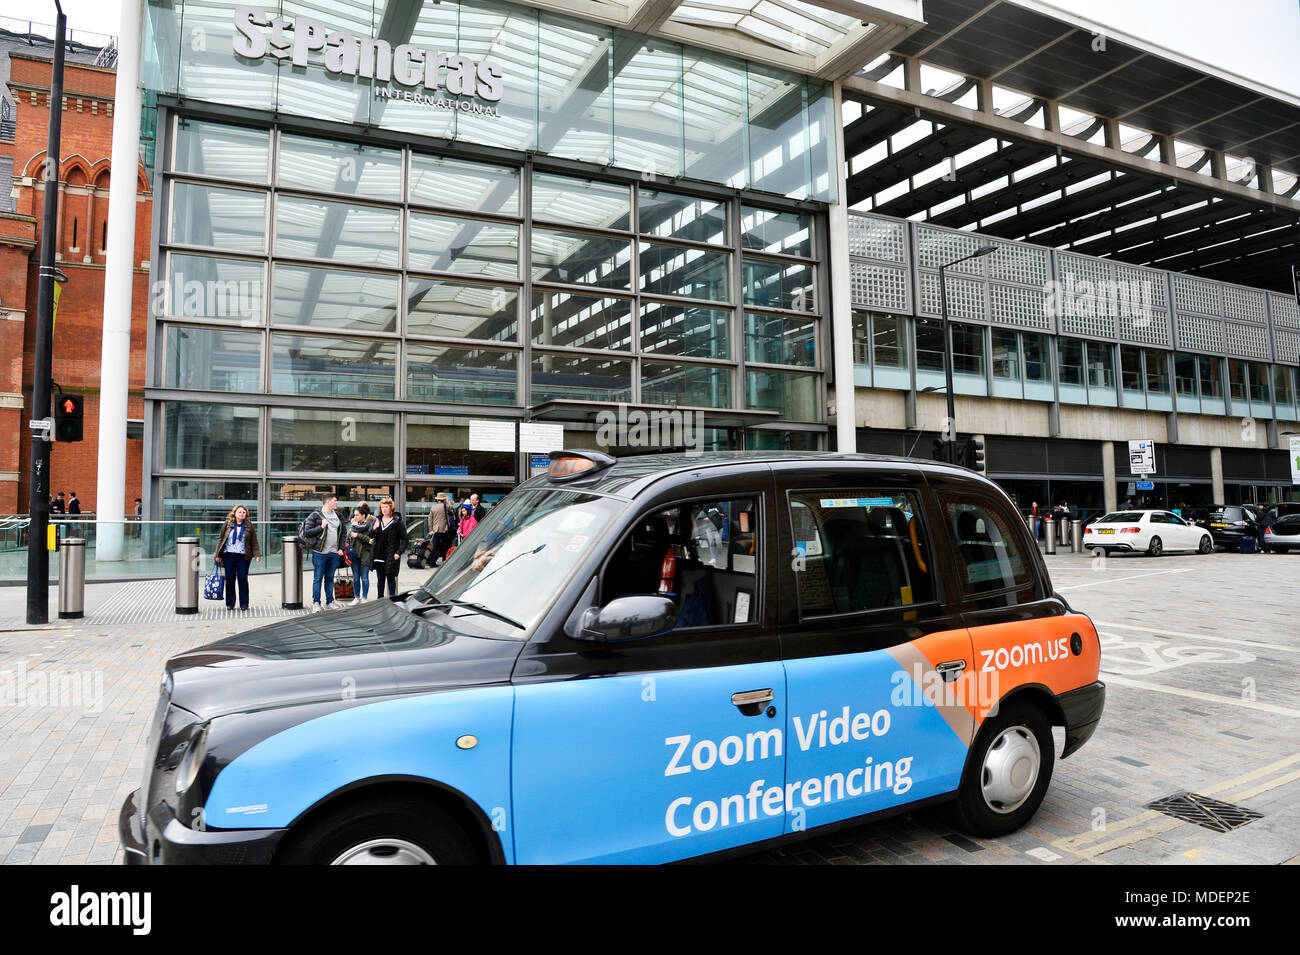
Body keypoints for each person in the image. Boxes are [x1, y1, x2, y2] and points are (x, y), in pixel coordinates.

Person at [300, 494, 346, 612]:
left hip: (334, 553)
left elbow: (343, 534)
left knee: (330, 578)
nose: (337, 503)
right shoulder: (315, 515)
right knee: (318, 578)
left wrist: (340, 548)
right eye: (335, 501)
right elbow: (307, 532)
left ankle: (330, 601)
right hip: (320, 553)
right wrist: (321, 526)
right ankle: (316, 603)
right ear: (328, 502)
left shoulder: (339, 517)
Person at [215, 504, 260, 610]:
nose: (242, 514)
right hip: (228, 556)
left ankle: (244, 604)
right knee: (230, 579)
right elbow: (221, 539)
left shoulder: (249, 525)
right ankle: (230, 603)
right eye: (240, 512)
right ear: (234, 513)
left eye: (244, 512)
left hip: (243, 557)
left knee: (243, 579)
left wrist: (257, 554)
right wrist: (217, 554)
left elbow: (254, 542)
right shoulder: (228, 524)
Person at [370, 497, 408, 598]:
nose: (384, 509)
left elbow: (405, 539)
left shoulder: (397, 522)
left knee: (391, 579)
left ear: (391, 508)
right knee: (380, 580)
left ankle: (392, 600)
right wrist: (374, 528)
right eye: (382, 507)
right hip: (378, 555)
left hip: (391, 555)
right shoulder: (377, 520)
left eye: (386, 507)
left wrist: (398, 552)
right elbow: (371, 535)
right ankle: (380, 600)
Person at [347, 502, 375, 604]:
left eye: (357, 515)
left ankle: (364, 598)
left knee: (364, 578)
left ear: (363, 515)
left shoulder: (370, 526)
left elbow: (370, 541)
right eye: (354, 515)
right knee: (355, 578)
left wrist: (357, 535)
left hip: (365, 555)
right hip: (354, 555)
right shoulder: (353, 526)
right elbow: (348, 538)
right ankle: (356, 597)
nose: (355, 517)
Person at [428, 492, 454, 565]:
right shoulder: (446, 506)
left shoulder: (433, 507)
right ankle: (445, 559)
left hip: (436, 529)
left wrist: (430, 529)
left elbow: (430, 519)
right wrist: (446, 502)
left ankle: (432, 561)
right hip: (444, 529)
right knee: (446, 545)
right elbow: (451, 510)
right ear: (444, 499)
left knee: (434, 545)